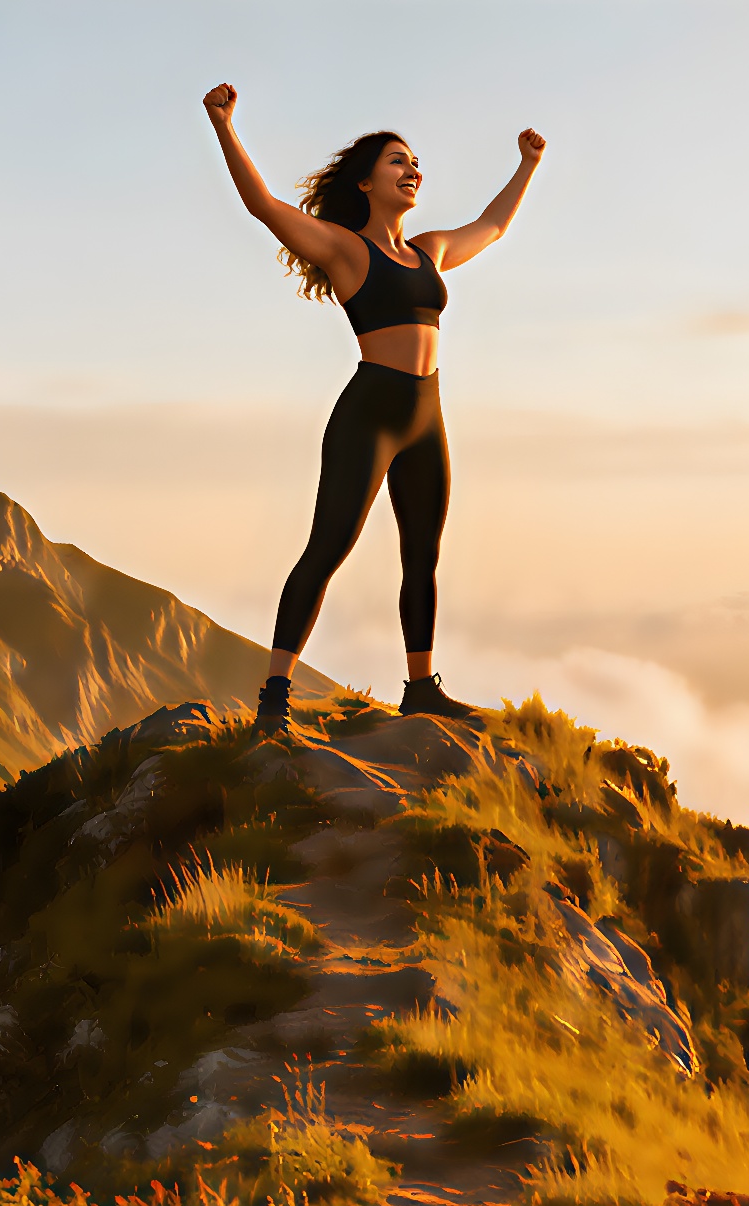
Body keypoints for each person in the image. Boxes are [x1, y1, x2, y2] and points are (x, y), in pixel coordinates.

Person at [202, 82, 545, 733]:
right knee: (328, 546)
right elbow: (262, 206)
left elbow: (494, 227)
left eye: (416, 161)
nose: (413, 169)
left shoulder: (430, 252)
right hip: (371, 414)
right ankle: (274, 697)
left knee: (423, 551)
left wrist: (525, 165)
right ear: (365, 183)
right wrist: (223, 125)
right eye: (397, 161)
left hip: (426, 415)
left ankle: (421, 688)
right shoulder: (344, 249)